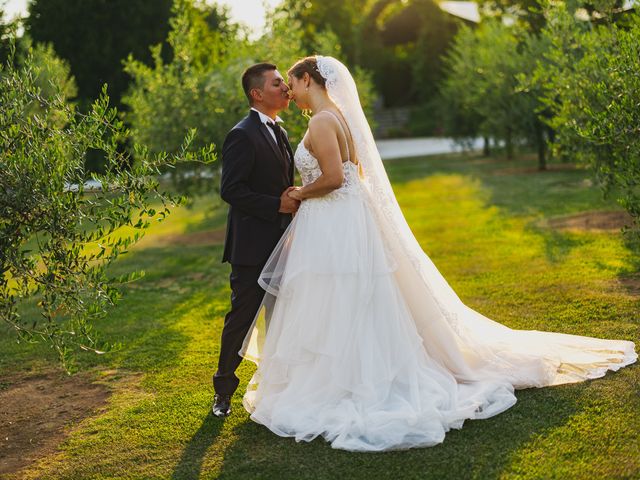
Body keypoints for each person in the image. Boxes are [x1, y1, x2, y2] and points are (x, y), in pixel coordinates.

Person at [237, 55, 637, 452]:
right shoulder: (337, 117)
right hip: (341, 222)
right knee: (351, 300)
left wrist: (298, 193)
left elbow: (334, 177)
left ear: (310, 80)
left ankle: (343, 381)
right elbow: (353, 176)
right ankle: (353, 372)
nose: (292, 92)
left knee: (339, 300)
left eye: (294, 83)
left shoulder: (324, 121)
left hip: (333, 223)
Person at [212, 63, 299, 418]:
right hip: (251, 247)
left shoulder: (280, 131)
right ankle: (223, 391)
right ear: (257, 94)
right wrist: (275, 204)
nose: (286, 88)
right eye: (278, 83)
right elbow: (230, 190)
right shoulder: (242, 134)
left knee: (282, 317)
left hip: (283, 242)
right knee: (243, 318)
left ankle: (280, 386)